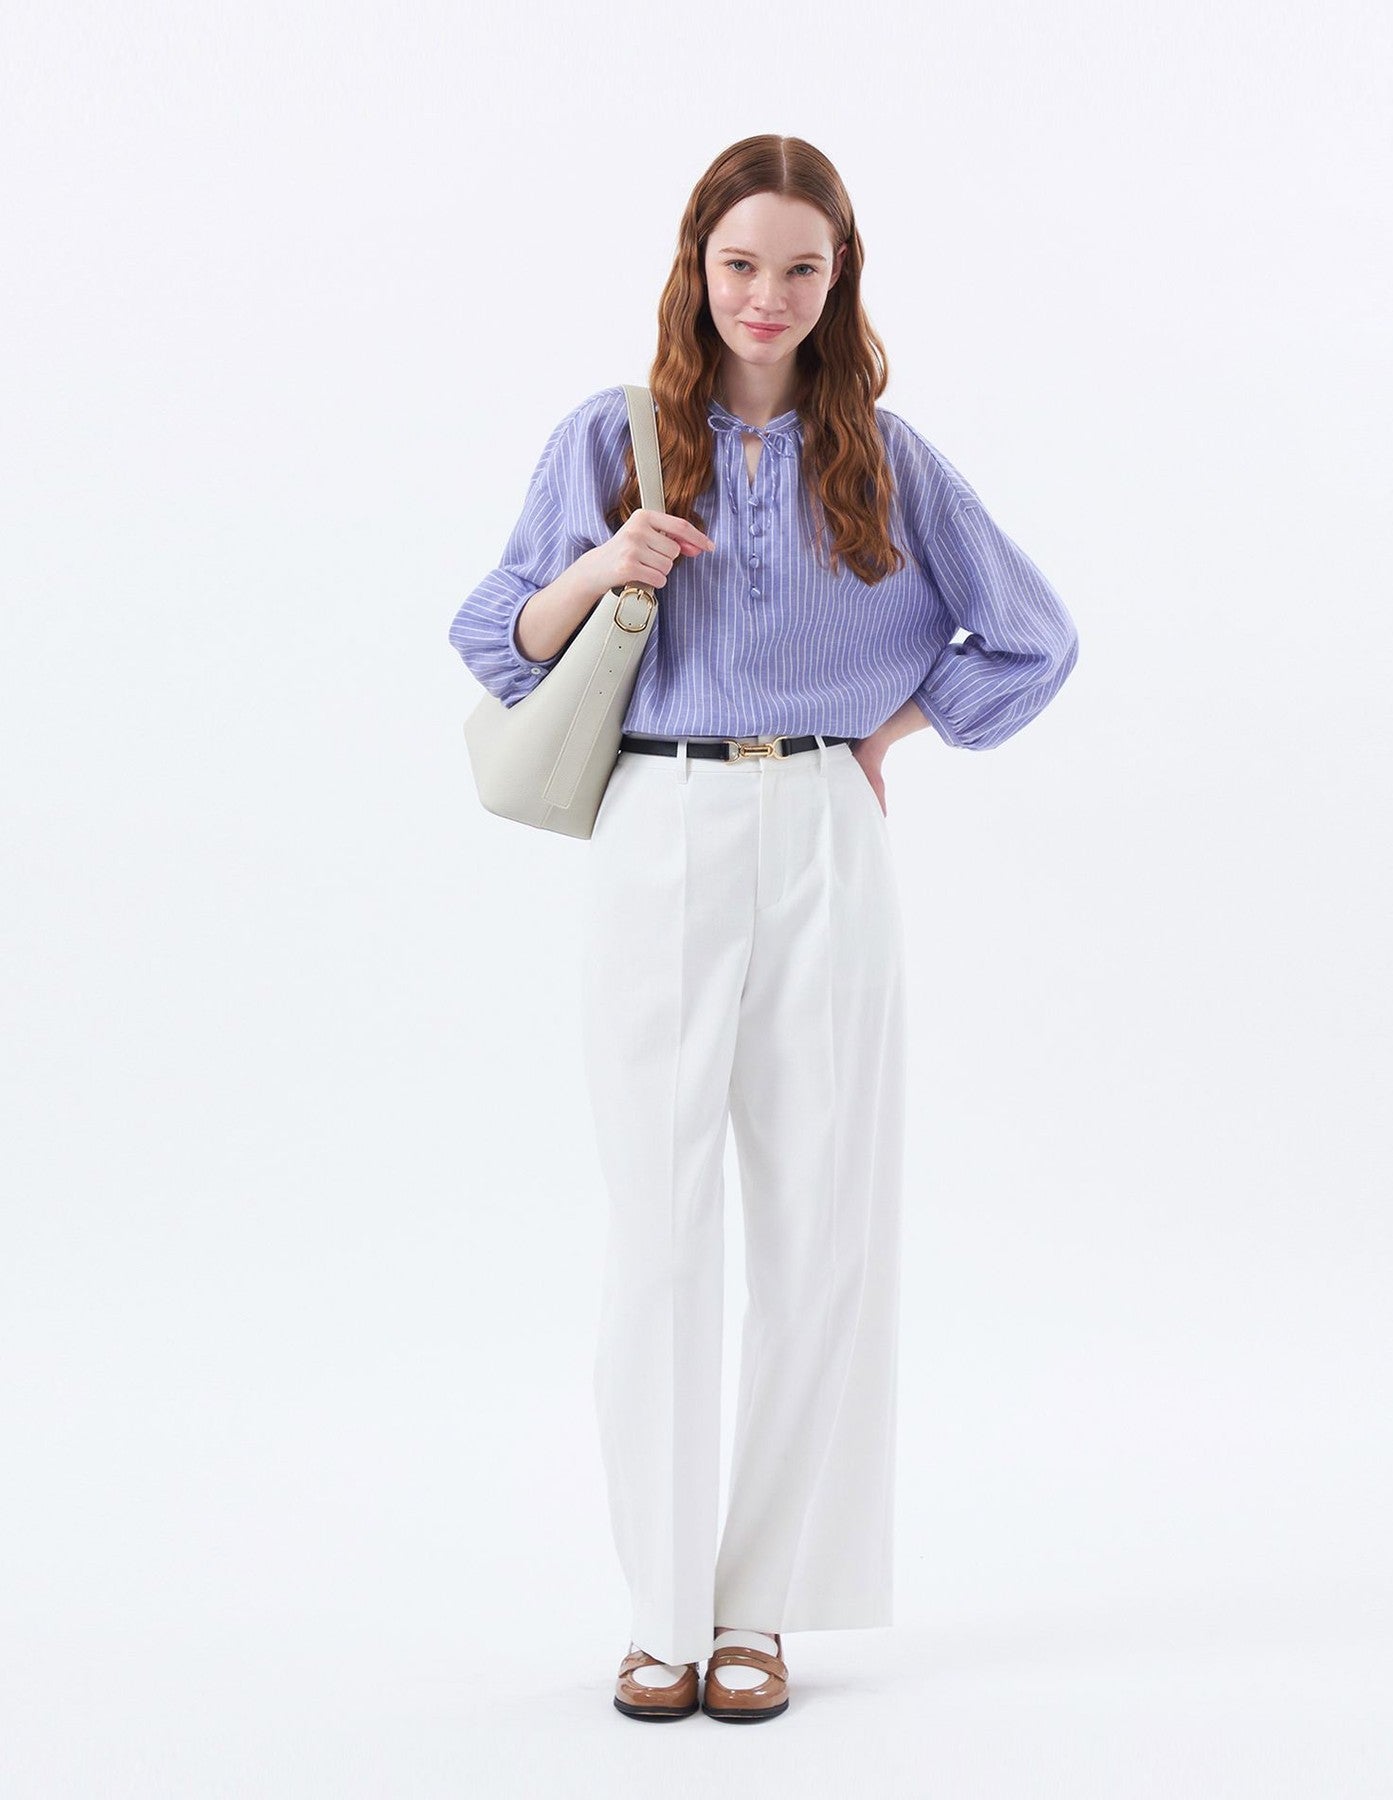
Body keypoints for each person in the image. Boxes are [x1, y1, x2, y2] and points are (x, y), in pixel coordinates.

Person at [448, 134, 1080, 1723]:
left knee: (819, 1230)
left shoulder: (886, 455)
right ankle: (660, 1612)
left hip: (821, 826)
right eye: (742, 263)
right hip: (655, 821)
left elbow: (1029, 636)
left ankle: (759, 1610)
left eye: (802, 266)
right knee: (659, 1230)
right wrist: (606, 564)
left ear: (840, 276)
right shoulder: (611, 437)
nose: (769, 296)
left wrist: (886, 737)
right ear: (697, 267)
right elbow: (500, 640)